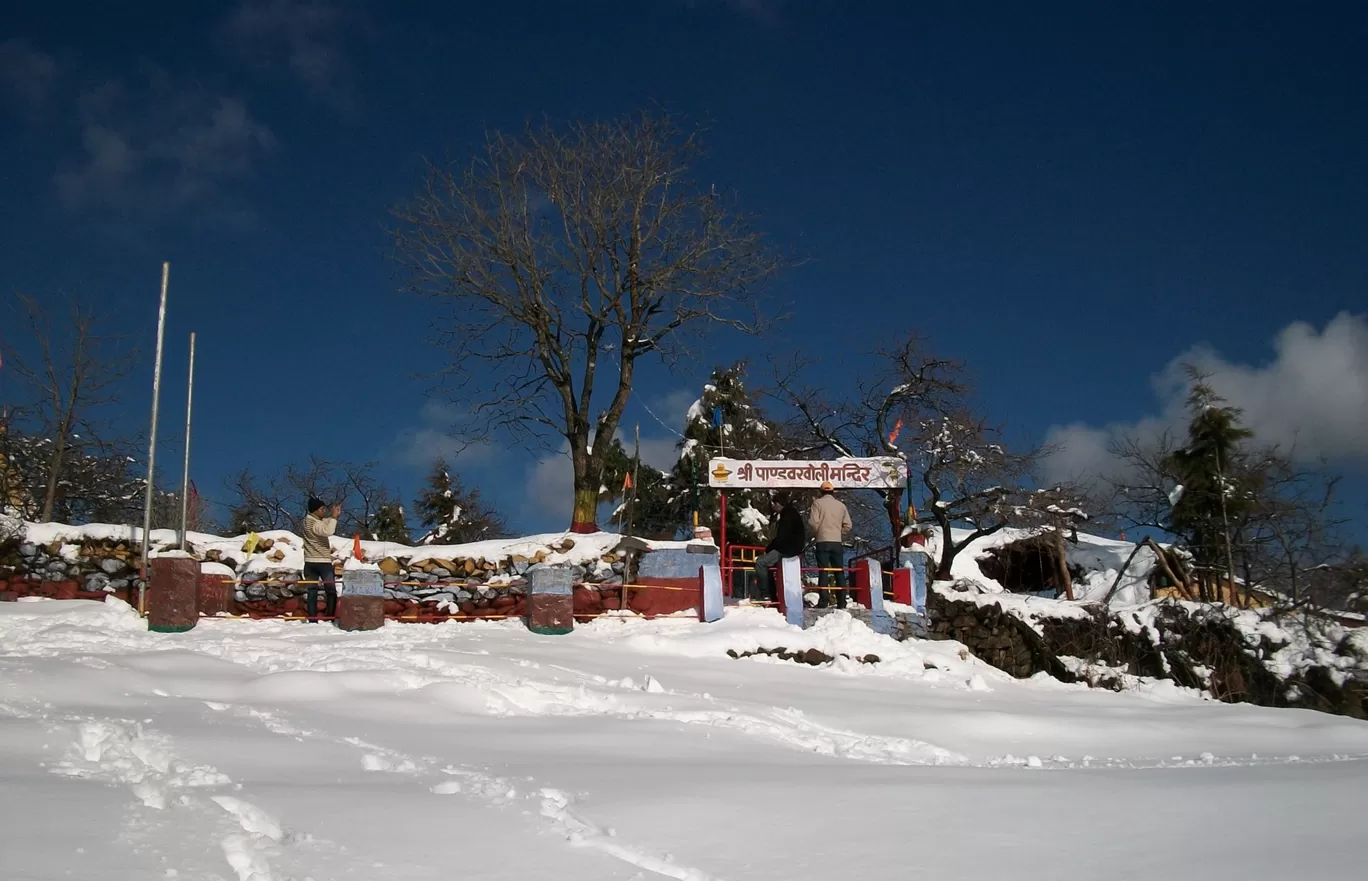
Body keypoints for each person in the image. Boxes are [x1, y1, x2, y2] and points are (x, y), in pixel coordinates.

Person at [752, 492, 807, 603]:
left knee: (761, 562)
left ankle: (766, 593)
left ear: (778, 504)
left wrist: (770, 547)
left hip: (787, 548)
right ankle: (771, 592)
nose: (773, 507)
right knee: (769, 564)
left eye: (774, 504)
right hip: (792, 547)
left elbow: (782, 536)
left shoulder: (787, 515)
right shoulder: (791, 513)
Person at [809, 481, 853, 608]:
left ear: (821, 492)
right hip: (837, 542)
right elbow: (848, 525)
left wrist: (818, 532)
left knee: (823, 571)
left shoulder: (817, 503)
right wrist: (839, 532)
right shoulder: (841, 505)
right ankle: (842, 602)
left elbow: (813, 523)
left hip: (822, 541)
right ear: (833, 492)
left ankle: (823, 601)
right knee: (839, 571)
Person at [301, 496, 341, 622]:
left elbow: (324, 521)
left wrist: (334, 517)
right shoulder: (313, 524)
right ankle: (330, 617)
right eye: (322, 509)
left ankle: (313, 618)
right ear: (315, 510)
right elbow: (328, 530)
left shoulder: (309, 521)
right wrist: (334, 517)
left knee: (312, 591)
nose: (325, 511)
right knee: (330, 590)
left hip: (309, 562)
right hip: (322, 562)